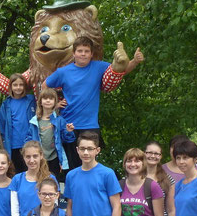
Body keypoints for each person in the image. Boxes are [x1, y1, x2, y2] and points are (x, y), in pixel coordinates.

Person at [43, 36, 144, 169]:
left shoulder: (99, 66)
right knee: (71, 167)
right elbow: (44, 86)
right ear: (74, 53)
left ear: (91, 54)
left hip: (90, 125)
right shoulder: (63, 72)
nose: (83, 54)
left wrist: (135, 61)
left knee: (89, 166)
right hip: (68, 125)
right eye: (80, 51)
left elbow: (120, 70)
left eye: (86, 51)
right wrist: (55, 104)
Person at [26, 88, 75, 182]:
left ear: (55, 102)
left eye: (51, 99)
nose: (48, 100)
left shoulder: (59, 120)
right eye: (45, 98)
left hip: (54, 157)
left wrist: (68, 131)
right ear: (40, 102)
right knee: (39, 181)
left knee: (54, 180)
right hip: (39, 158)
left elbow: (66, 139)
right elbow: (29, 137)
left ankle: (54, 196)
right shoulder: (34, 121)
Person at [0, 73, 36, 172]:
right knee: (18, 172)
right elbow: (2, 125)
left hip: (29, 142)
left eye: (21, 85)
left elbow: (43, 109)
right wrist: (5, 140)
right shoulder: (6, 104)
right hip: (14, 144)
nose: (18, 87)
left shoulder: (31, 100)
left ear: (24, 86)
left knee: (31, 170)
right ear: (11, 86)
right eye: (15, 85)